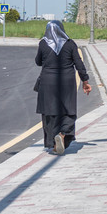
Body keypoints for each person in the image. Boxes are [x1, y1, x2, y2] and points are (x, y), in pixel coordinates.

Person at [34, 20, 92, 155]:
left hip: (47, 81)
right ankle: (63, 133)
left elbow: (38, 62)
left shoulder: (43, 43)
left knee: (50, 112)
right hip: (67, 81)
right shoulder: (70, 44)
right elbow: (79, 63)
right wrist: (85, 81)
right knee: (68, 109)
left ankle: (54, 144)